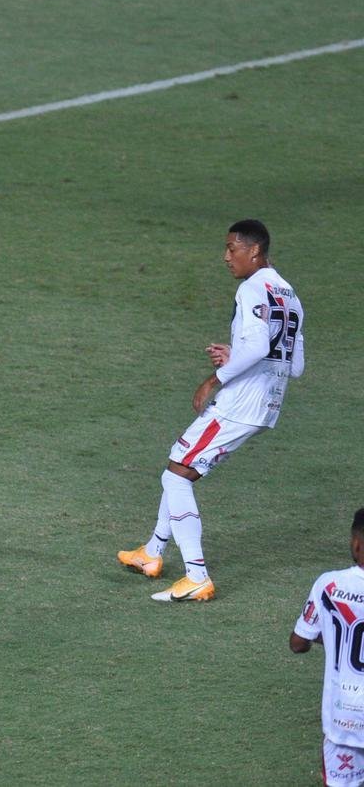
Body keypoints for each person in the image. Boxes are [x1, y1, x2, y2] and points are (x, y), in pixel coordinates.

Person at [118, 219, 305, 601]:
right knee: (178, 466)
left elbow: (256, 350)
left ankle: (196, 575)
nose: (226, 257)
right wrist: (239, 356)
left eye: (232, 248)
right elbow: (294, 364)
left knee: (176, 477)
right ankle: (151, 553)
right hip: (267, 401)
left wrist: (215, 377)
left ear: (254, 251)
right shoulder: (289, 293)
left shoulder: (252, 289)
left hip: (240, 402)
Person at [291, 508, 364, 786]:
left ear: (356, 544)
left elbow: (298, 643)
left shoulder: (330, 585)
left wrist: (335, 639)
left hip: (344, 719)